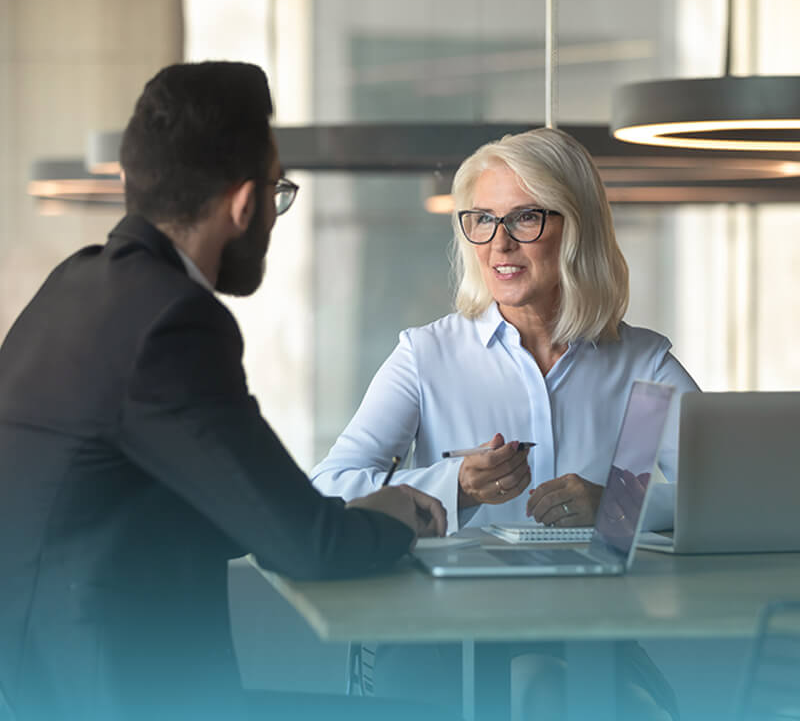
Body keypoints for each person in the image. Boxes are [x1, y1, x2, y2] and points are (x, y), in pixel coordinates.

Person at [0, 61, 449, 721]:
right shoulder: (171, 320)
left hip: (42, 682)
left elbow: (220, 505)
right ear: (244, 204)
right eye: (277, 191)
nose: (273, 210)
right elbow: (308, 549)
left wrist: (327, 517)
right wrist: (402, 516)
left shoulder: (77, 283)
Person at [310, 126, 699, 720]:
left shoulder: (640, 365)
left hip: (590, 645)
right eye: (482, 220)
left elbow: (723, 500)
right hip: (436, 645)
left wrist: (619, 505)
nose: (499, 244)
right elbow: (328, 488)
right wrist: (453, 488)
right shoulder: (426, 356)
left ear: (577, 227)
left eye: (524, 220)